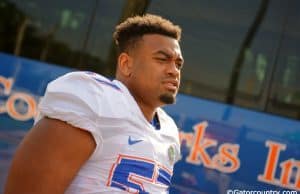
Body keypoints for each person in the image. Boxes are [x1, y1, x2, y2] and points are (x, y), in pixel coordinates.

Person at [4, 14, 184, 194]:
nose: (174, 71)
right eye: (162, 59)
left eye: (178, 64)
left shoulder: (169, 129)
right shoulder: (95, 100)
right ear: (126, 64)